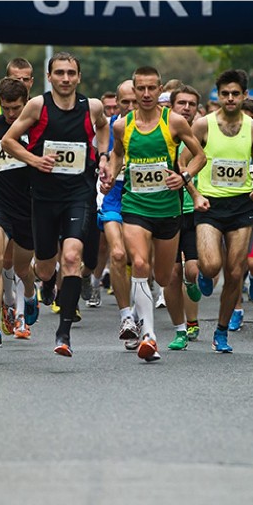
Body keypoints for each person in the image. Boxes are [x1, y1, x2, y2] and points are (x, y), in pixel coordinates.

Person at [1, 52, 109, 357]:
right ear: (49, 77)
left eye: (71, 73)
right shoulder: (38, 105)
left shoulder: (92, 106)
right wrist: (35, 160)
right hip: (44, 197)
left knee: (73, 257)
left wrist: (102, 156)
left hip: (78, 193)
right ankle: (45, 284)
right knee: (47, 268)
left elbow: (103, 127)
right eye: (59, 73)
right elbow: (9, 141)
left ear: (78, 77)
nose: (65, 78)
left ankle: (64, 332)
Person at [100, 65, 206, 361]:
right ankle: (148, 335)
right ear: (133, 90)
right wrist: (110, 174)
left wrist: (183, 177)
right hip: (134, 205)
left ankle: (151, 319)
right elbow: (119, 154)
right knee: (140, 263)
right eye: (140, 88)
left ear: (161, 91)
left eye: (151, 88)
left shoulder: (173, 122)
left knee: (163, 275)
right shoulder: (123, 125)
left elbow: (200, 156)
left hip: (168, 209)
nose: (146, 94)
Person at [184, 69, 253, 353]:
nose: (230, 99)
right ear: (218, 96)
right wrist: (195, 194)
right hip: (209, 204)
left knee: (234, 272)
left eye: (235, 94)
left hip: (242, 205)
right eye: (225, 94)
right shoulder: (203, 125)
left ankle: (221, 331)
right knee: (210, 265)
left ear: (244, 96)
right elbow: (184, 164)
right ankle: (204, 273)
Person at [0, 77, 40, 347]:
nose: (11, 114)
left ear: (25, 103)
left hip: (29, 206)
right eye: (6, 108)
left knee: (23, 267)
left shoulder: (37, 128)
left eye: (16, 108)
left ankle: (29, 292)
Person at [163, 84, 208, 350]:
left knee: (191, 270)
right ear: (172, 106)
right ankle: (181, 328)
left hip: (196, 211)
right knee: (171, 274)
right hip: (168, 210)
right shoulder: (164, 134)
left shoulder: (204, 133)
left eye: (192, 104)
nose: (187, 108)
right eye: (182, 103)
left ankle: (192, 310)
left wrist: (197, 194)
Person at [96, 79, 141, 348]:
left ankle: (138, 313)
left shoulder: (154, 126)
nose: (130, 106)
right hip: (114, 197)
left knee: (140, 261)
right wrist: (106, 170)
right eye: (125, 102)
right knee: (118, 253)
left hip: (143, 198)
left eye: (134, 101)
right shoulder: (114, 126)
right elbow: (107, 156)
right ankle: (126, 317)